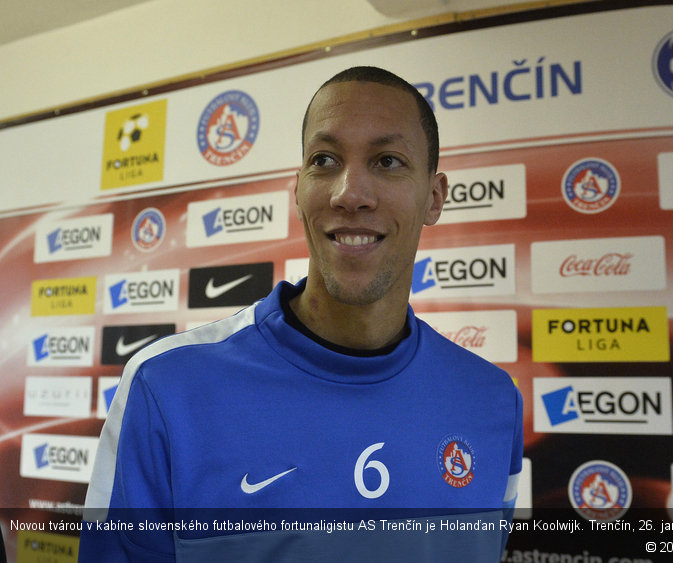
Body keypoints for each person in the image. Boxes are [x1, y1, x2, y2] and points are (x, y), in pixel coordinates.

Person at [79, 65, 523, 562]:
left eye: (388, 161)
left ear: (434, 197)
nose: (349, 194)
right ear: (298, 190)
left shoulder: (493, 402)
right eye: (325, 159)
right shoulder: (165, 387)